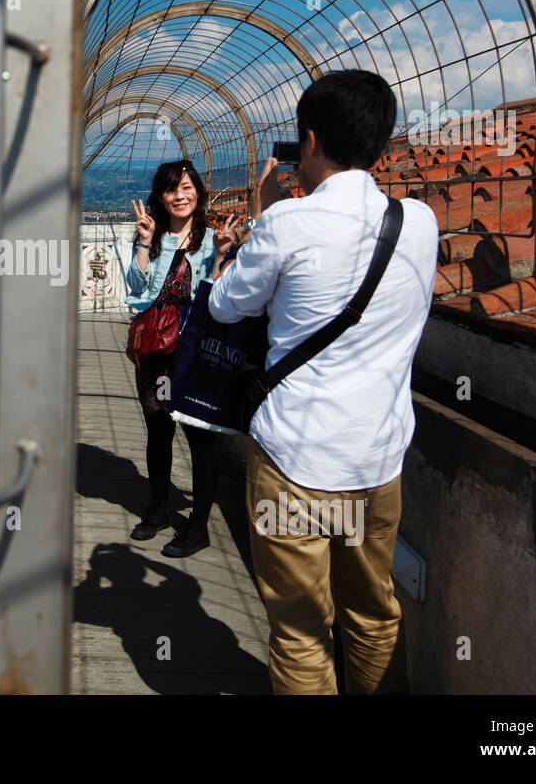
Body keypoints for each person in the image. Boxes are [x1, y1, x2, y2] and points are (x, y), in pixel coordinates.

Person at [207, 70, 439, 694]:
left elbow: (228, 307)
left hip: (294, 459)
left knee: (302, 629)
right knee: (373, 613)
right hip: (377, 459)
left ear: (308, 140)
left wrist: (262, 217)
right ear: (380, 143)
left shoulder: (287, 224)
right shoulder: (418, 222)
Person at [125, 159, 236, 557]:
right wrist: (142, 242)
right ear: (161, 196)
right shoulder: (151, 235)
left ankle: (199, 524)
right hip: (156, 348)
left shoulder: (211, 238)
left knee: (200, 437)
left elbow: (222, 299)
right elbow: (136, 293)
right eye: (173, 189)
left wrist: (222, 257)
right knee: (158, 429)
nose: (180, 195)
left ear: (198, 192)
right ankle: (159, 508)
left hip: (195, 349)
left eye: (187, 187)